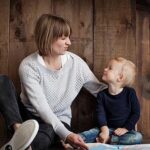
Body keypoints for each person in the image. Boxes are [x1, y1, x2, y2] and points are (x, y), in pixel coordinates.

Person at [0, 14, 106, 150]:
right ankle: (19, 132)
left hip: (58, 120)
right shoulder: (28, 66)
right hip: (27, 116)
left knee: (49, 132)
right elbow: (41, 107)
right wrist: (67, 135)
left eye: (68, 37)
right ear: (48, 38)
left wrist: (126, 98)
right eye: (63, 38)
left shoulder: (76, 64)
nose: (69, 42)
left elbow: (100, 90)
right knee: (2, 81)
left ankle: (23, 145)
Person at [79, 57, 143, 145]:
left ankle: (109, 140)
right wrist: (104, 131)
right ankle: (75, 140)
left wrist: (125, 129)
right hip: (106, 128)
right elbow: (100, 114)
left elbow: (136, 113)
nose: (105, 69)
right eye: (106, 67)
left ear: (120, 77)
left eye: (110, 68)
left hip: (125, 132)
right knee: (91, 132)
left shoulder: (130, 93)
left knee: (137, 137)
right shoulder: (102, 95)